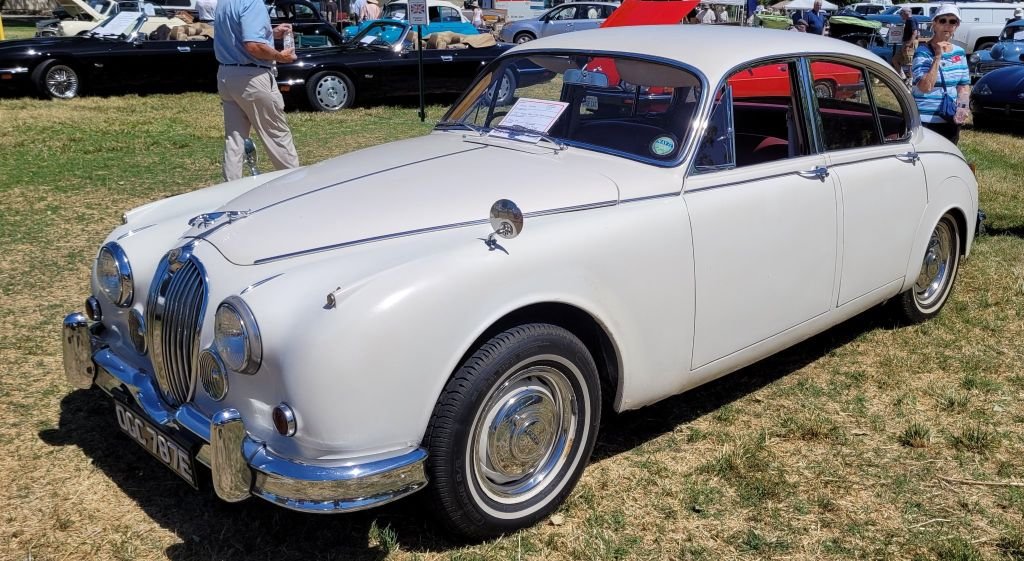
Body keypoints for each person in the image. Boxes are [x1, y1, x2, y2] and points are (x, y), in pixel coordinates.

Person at [213, 0, 300, 181]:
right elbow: (253, 46)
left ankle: (231, 188)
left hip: (226, 74)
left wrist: (270, 33)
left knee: (234, 139)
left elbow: (238, 36)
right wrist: (280, 56)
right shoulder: (253, 2)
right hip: (252, 76)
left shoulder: (224, 2)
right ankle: (294, 185)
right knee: (276, 135)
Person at [912, 4, 970, 144]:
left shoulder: (959, 52)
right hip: (925, 121)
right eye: (943, 20)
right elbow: (925, 87)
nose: (947, 25)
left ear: (957, 26)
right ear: (934, 24)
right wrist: (937, 56)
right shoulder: (922, 52)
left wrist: (962, 109)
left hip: (949, 119)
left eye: (952, 21)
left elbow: (963, 86)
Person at [891, 7, 917, 82]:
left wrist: (909, 43)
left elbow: (915, 33)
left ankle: (911, 80)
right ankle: (903, 77)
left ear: (906, 13)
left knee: (909, 63)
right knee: (895, 60)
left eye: (901, 13)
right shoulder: (908, 20)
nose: (900, 15)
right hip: (905, 43)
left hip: (909, 43)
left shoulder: (911, 20)